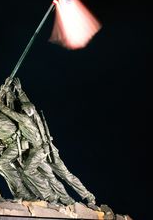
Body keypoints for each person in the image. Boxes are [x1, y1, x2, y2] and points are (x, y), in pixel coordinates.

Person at [12, 77, 97, 207]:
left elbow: (28, 104)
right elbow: (24, 105)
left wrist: (20, 91)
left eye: (28, 111)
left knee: (66, 175)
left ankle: (89, 196)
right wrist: (17, 91)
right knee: (51, 179)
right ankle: (67, 201)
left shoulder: (33, 116)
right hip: (39, 153)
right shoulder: (24, 119)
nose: (27, 112)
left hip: (50, 151)